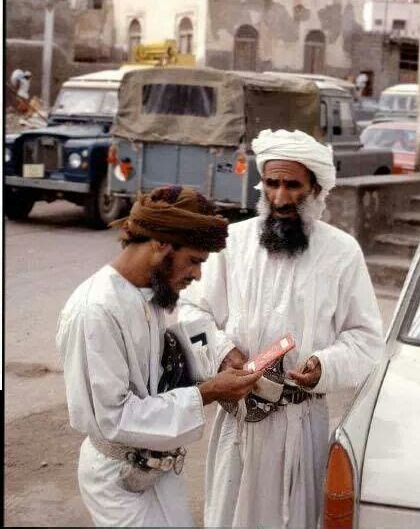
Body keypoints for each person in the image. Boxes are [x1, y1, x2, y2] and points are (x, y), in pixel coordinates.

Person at [178, 129, 384, 529]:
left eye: (293, 185)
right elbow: (189, 312)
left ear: (317, 189)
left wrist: (323, 366)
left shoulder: (342, 253)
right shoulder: (233, 243)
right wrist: (220, 351)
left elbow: (365, 339)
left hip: (301, 424)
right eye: (272, 183)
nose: (280, 197)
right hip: (238, 423)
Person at [56, 186, 262, 527]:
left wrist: (220, 359)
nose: (197, 275)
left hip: (156, 470)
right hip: (118, 481)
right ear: (161, 244)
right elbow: (116, 419)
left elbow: (160, 369)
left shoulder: (149, 295)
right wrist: (209, 393)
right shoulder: (96, 310)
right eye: (194, 260)